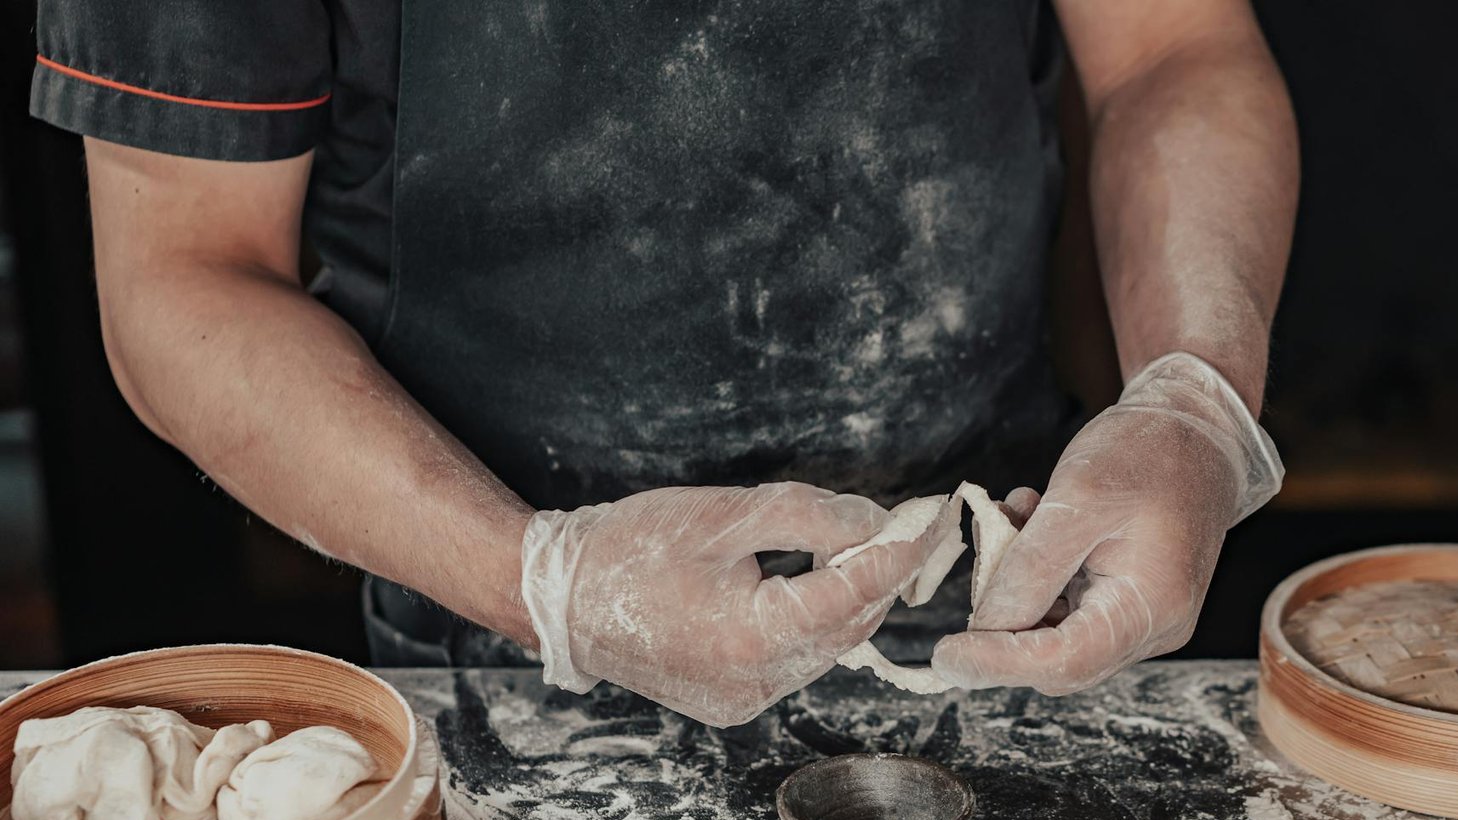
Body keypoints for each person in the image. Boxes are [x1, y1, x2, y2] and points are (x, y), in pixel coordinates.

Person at [30, 0, 1293, 725]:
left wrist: (1195, 396)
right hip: (503, 649)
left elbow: (1171, 51)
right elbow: (182, 273)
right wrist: (552, 581)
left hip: (1008, 600)